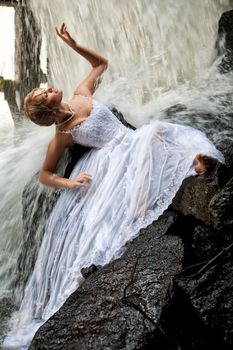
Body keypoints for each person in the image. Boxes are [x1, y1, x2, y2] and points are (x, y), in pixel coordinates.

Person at [5, 23, 224, 348]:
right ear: (48, 110)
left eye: (46, 87)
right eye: (45, 92)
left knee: (159, 132)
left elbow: (101, 65)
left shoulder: (82, 94)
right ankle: (153, 197)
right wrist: (71, 181)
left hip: (127, 141)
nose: (50, 87)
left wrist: (75, 44)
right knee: (154, 136)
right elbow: (44, 175)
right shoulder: (63, 134)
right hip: (110, 160)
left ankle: (196, 164)